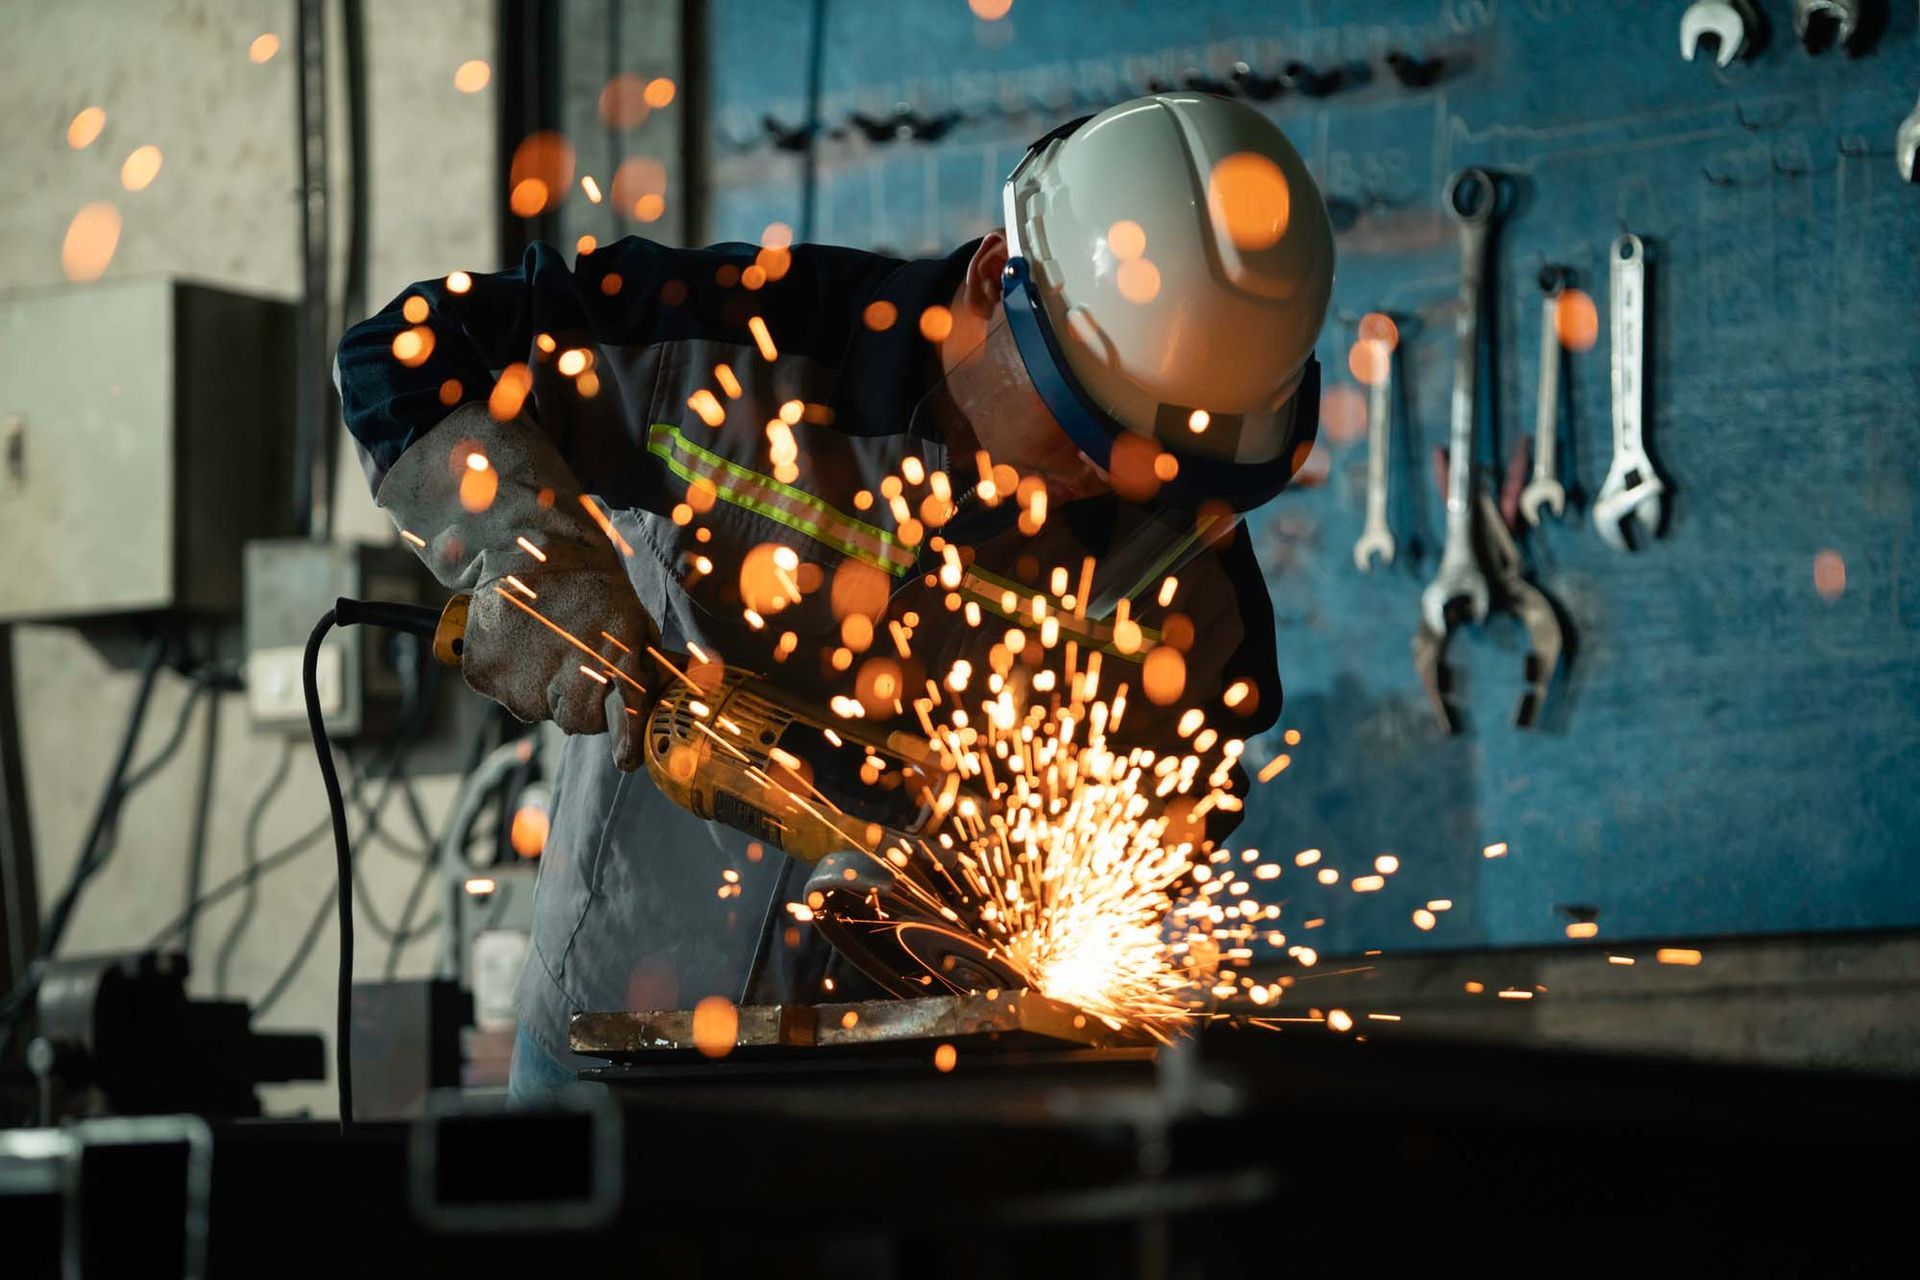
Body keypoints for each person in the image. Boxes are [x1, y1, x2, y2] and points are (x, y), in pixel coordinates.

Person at [336, 92, 1334, 1101]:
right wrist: (528, 545)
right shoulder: (744, 341)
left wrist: (1006, 890)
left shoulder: (1183, 575)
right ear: (997, 280)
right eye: (1086, 427)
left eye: (1158, 465)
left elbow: (1175, 800)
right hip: (610, 1039)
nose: (1112, 479)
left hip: (910, 1088)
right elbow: (406, 358)